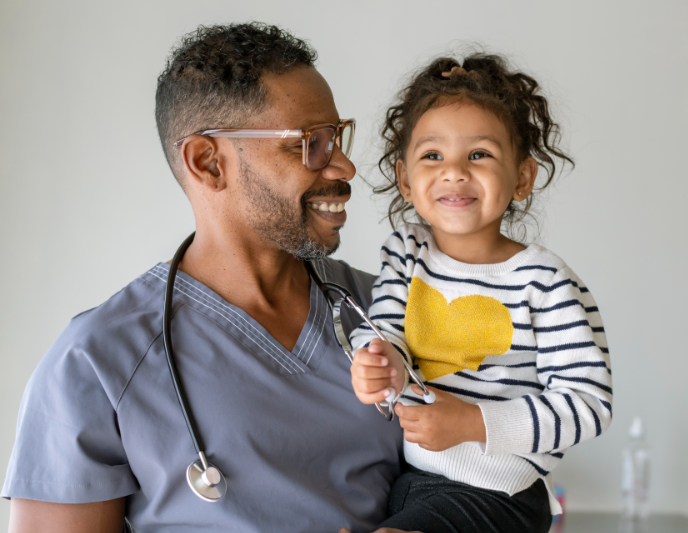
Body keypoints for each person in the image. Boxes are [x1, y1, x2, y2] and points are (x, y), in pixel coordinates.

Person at [2, 22, 419, 533]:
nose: (345, 167)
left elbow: (488, 480)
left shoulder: (394, 308)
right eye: (310, 143)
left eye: (337, 137)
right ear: (208, 163)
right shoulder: (96, 361)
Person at [349, 54, 614, 533]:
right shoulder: (407, 252)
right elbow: (384, 331)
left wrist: (473, 422)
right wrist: (378, 360)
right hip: (416, 478)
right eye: (433, 155)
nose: (454, 172)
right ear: (405, 179)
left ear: (522, 178)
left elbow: (589, 405)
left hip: (499, 491)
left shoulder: (544, 281)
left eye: (479, 155)